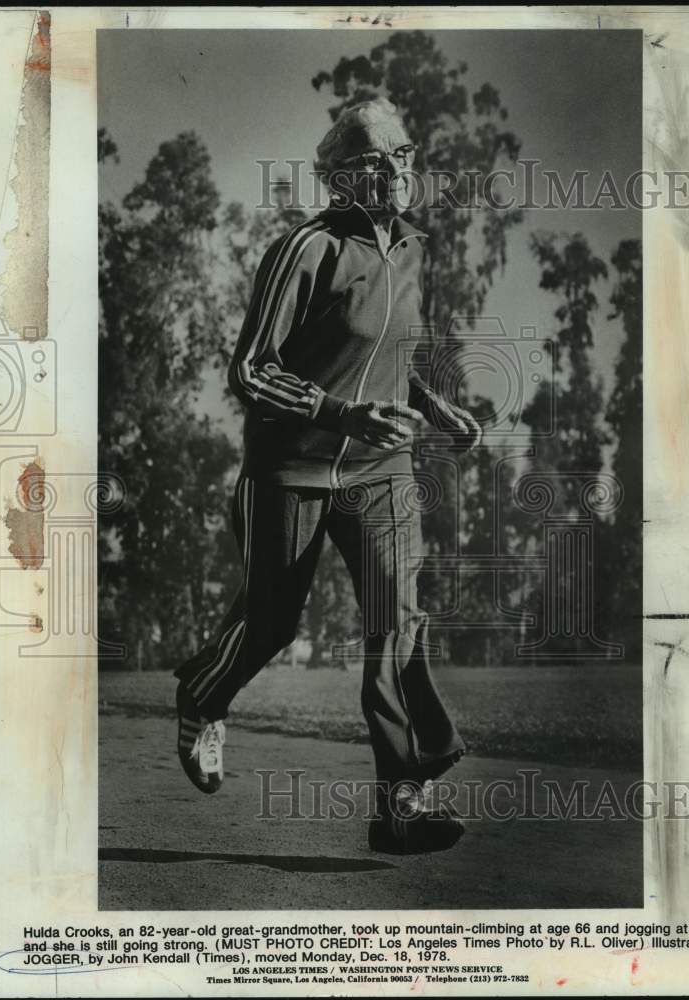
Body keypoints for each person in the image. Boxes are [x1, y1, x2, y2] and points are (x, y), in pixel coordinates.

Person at [174, 97, 481, 854]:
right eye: (378, 159)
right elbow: (251, 370)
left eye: (404, 154)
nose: (397, 170)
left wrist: (437, 408)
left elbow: (392, 362)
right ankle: (202, 695)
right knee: (271, 622)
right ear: (341, 178)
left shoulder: (412, 248)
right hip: (293, 466)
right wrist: (342, 415)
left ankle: (400, 802)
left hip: (382, 471)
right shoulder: (305, 250)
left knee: (396, 625)